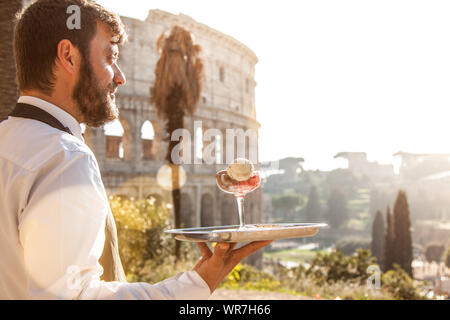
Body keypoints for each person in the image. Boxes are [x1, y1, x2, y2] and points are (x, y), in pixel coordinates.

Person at [0, 0, 271, 299]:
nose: (120, 76)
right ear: (68, 56)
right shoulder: (64, 159)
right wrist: (200, 282)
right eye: (110, 57)